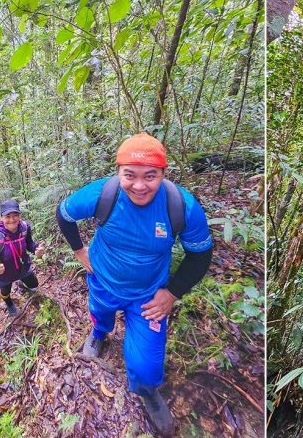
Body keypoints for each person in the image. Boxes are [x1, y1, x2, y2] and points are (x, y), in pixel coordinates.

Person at [56, 133, 214, 437]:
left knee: (146, 369)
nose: (139, 186)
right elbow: (64, 215)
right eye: (130, 175)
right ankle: (99, 334)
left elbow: (200, 254)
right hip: (103, 280)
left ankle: (146, 391)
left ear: (163, 174)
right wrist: (79, 250)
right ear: (118, 173)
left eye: (150, 176)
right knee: (100, 316)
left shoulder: (181, 205)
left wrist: (172, 293)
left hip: (147, 297)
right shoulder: (104, 194)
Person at [0, 199, 40, 317]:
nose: (12, 219)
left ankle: (21, 284)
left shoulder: (24, 228)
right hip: (4, 275)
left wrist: (36, 249)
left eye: (15, 215)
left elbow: (29, 243)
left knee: (34, 285)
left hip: (23, 268)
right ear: (1, 217)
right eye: (7, 216)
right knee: (5, 293)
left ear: (20, 215)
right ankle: (9, 304)